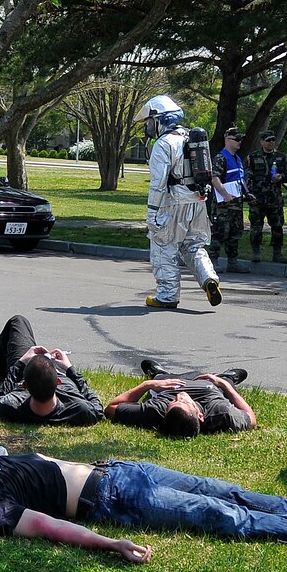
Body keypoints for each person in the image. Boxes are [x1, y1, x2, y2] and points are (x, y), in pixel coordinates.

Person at [0, 450, 287, 559]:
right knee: (217, 515)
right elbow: (47, 526)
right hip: (114, 498)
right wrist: (109, 544)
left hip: (120, 470)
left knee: (220, 490)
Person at [136, 94, 220, 308]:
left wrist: (152, 213)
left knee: (163, 246)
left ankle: (167, 295)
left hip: (173, 203)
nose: (148, 127)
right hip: (197, 201)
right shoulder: (189, 137)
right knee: (193, 246)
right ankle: (209, 279)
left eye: (150, 122)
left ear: (160, 120)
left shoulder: (164, 144)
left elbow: (158, 183)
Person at [0, 314, 104, 426]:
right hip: (49, 372)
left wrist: (21, 363)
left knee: (18, 321)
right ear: (58, 382)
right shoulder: (80, 410)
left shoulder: (10, 407)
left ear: (24, 386)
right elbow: (97, 407)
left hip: (34, 371)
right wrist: (69, 368)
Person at [105, 360, 255, 437]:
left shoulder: (156, 411)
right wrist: (224, 384)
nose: (179, 396)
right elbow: (251, 419)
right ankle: (228, 377)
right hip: (209, 383)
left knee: (159, 376)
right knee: (228, 381)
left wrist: (148, 384)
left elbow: (111, 408)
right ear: (200, 416)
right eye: (183, 402)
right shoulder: (221, 413)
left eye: (174, 402)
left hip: (169, 380)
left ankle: (158, 373)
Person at [243, 130, 287, 263]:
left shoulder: (281, 157)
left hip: (275, 200)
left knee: (277, 227)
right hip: (258, 200)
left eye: (273, 140)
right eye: (268, 140)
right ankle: (256, 252)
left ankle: (277, 253)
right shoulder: (252, 157)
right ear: (262, 142)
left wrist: (281, 177)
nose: (271, 142)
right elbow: (247, 177)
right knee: (256, 228)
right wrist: (249, 195)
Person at [208, 127, 247, 272]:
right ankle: (213, 261)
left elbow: (240, 179)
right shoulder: (221, 157)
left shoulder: (237, 158)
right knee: (219, 232)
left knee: (235, 233)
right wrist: (225, 194)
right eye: (236, 139)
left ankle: (232, 262)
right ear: (227, 139)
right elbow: (215, 178)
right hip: (223, 205)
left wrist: (248, 193)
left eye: (240, 139)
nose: (239, 142)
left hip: (236, 204)